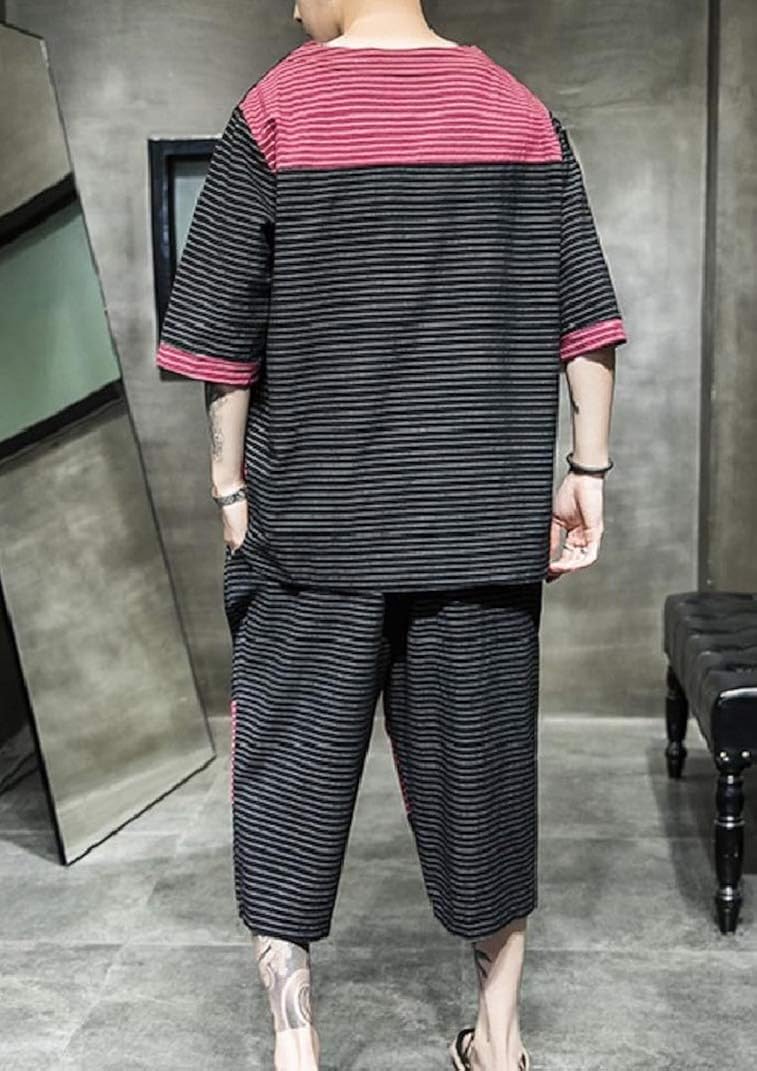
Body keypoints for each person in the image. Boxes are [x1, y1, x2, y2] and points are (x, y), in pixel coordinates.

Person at [155, 1, 627, 1068]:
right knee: (483, 779)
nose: (292, 6)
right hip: (477, 521)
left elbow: (221, 328)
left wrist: (228, 485)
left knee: (287, 777)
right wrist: (586, 470)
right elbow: (585, 318)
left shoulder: (278, 107)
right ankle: (497, 1043)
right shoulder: (518, 112)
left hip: (312, 527)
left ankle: (296, 1049)